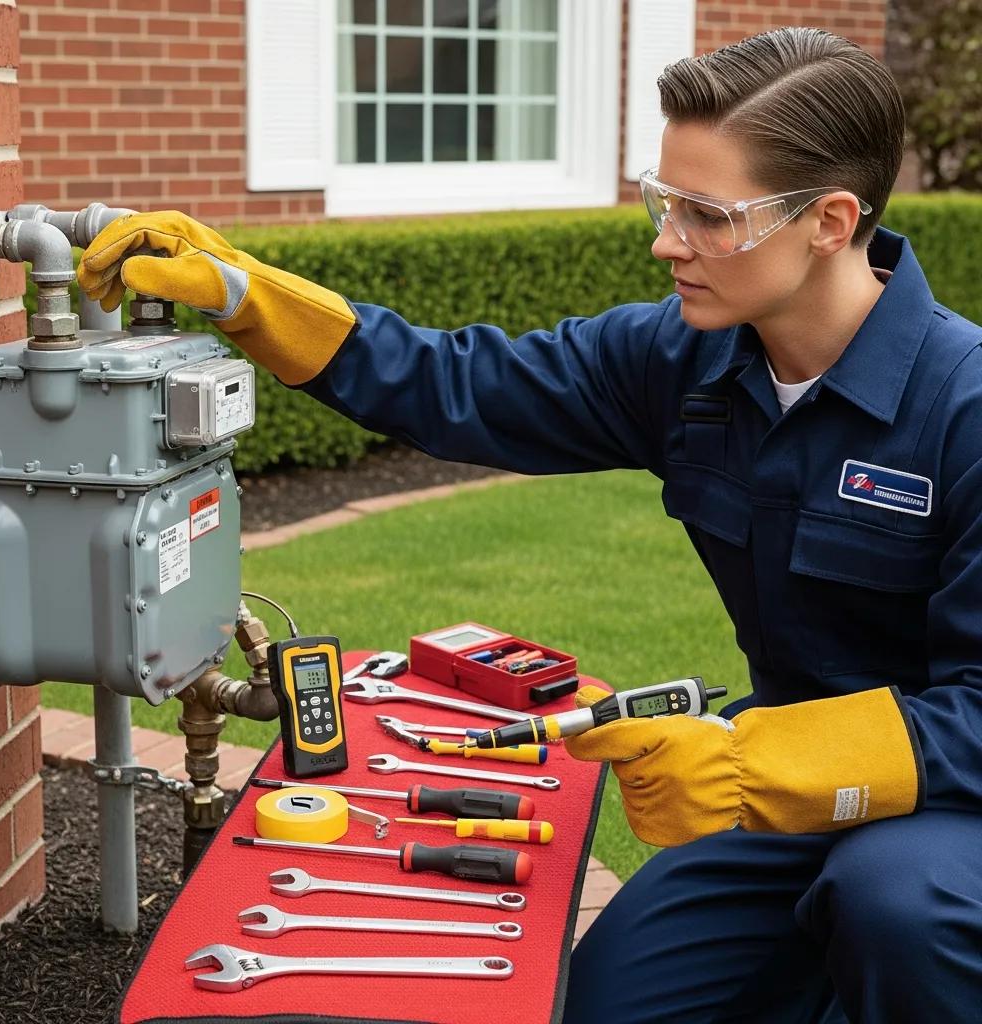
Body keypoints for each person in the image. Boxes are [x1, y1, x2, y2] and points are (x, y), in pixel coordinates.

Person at [78, 26, 982, 1023]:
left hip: (947, 812)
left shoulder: (965, 409)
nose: (664, 240)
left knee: (896, 907)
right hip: (777, 792)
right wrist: (247, 294)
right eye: (662, 199)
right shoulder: (682, 364)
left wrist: (744, 762)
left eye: (706, 216)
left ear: (830, 220)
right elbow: (457, 382)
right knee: (606, 1003)